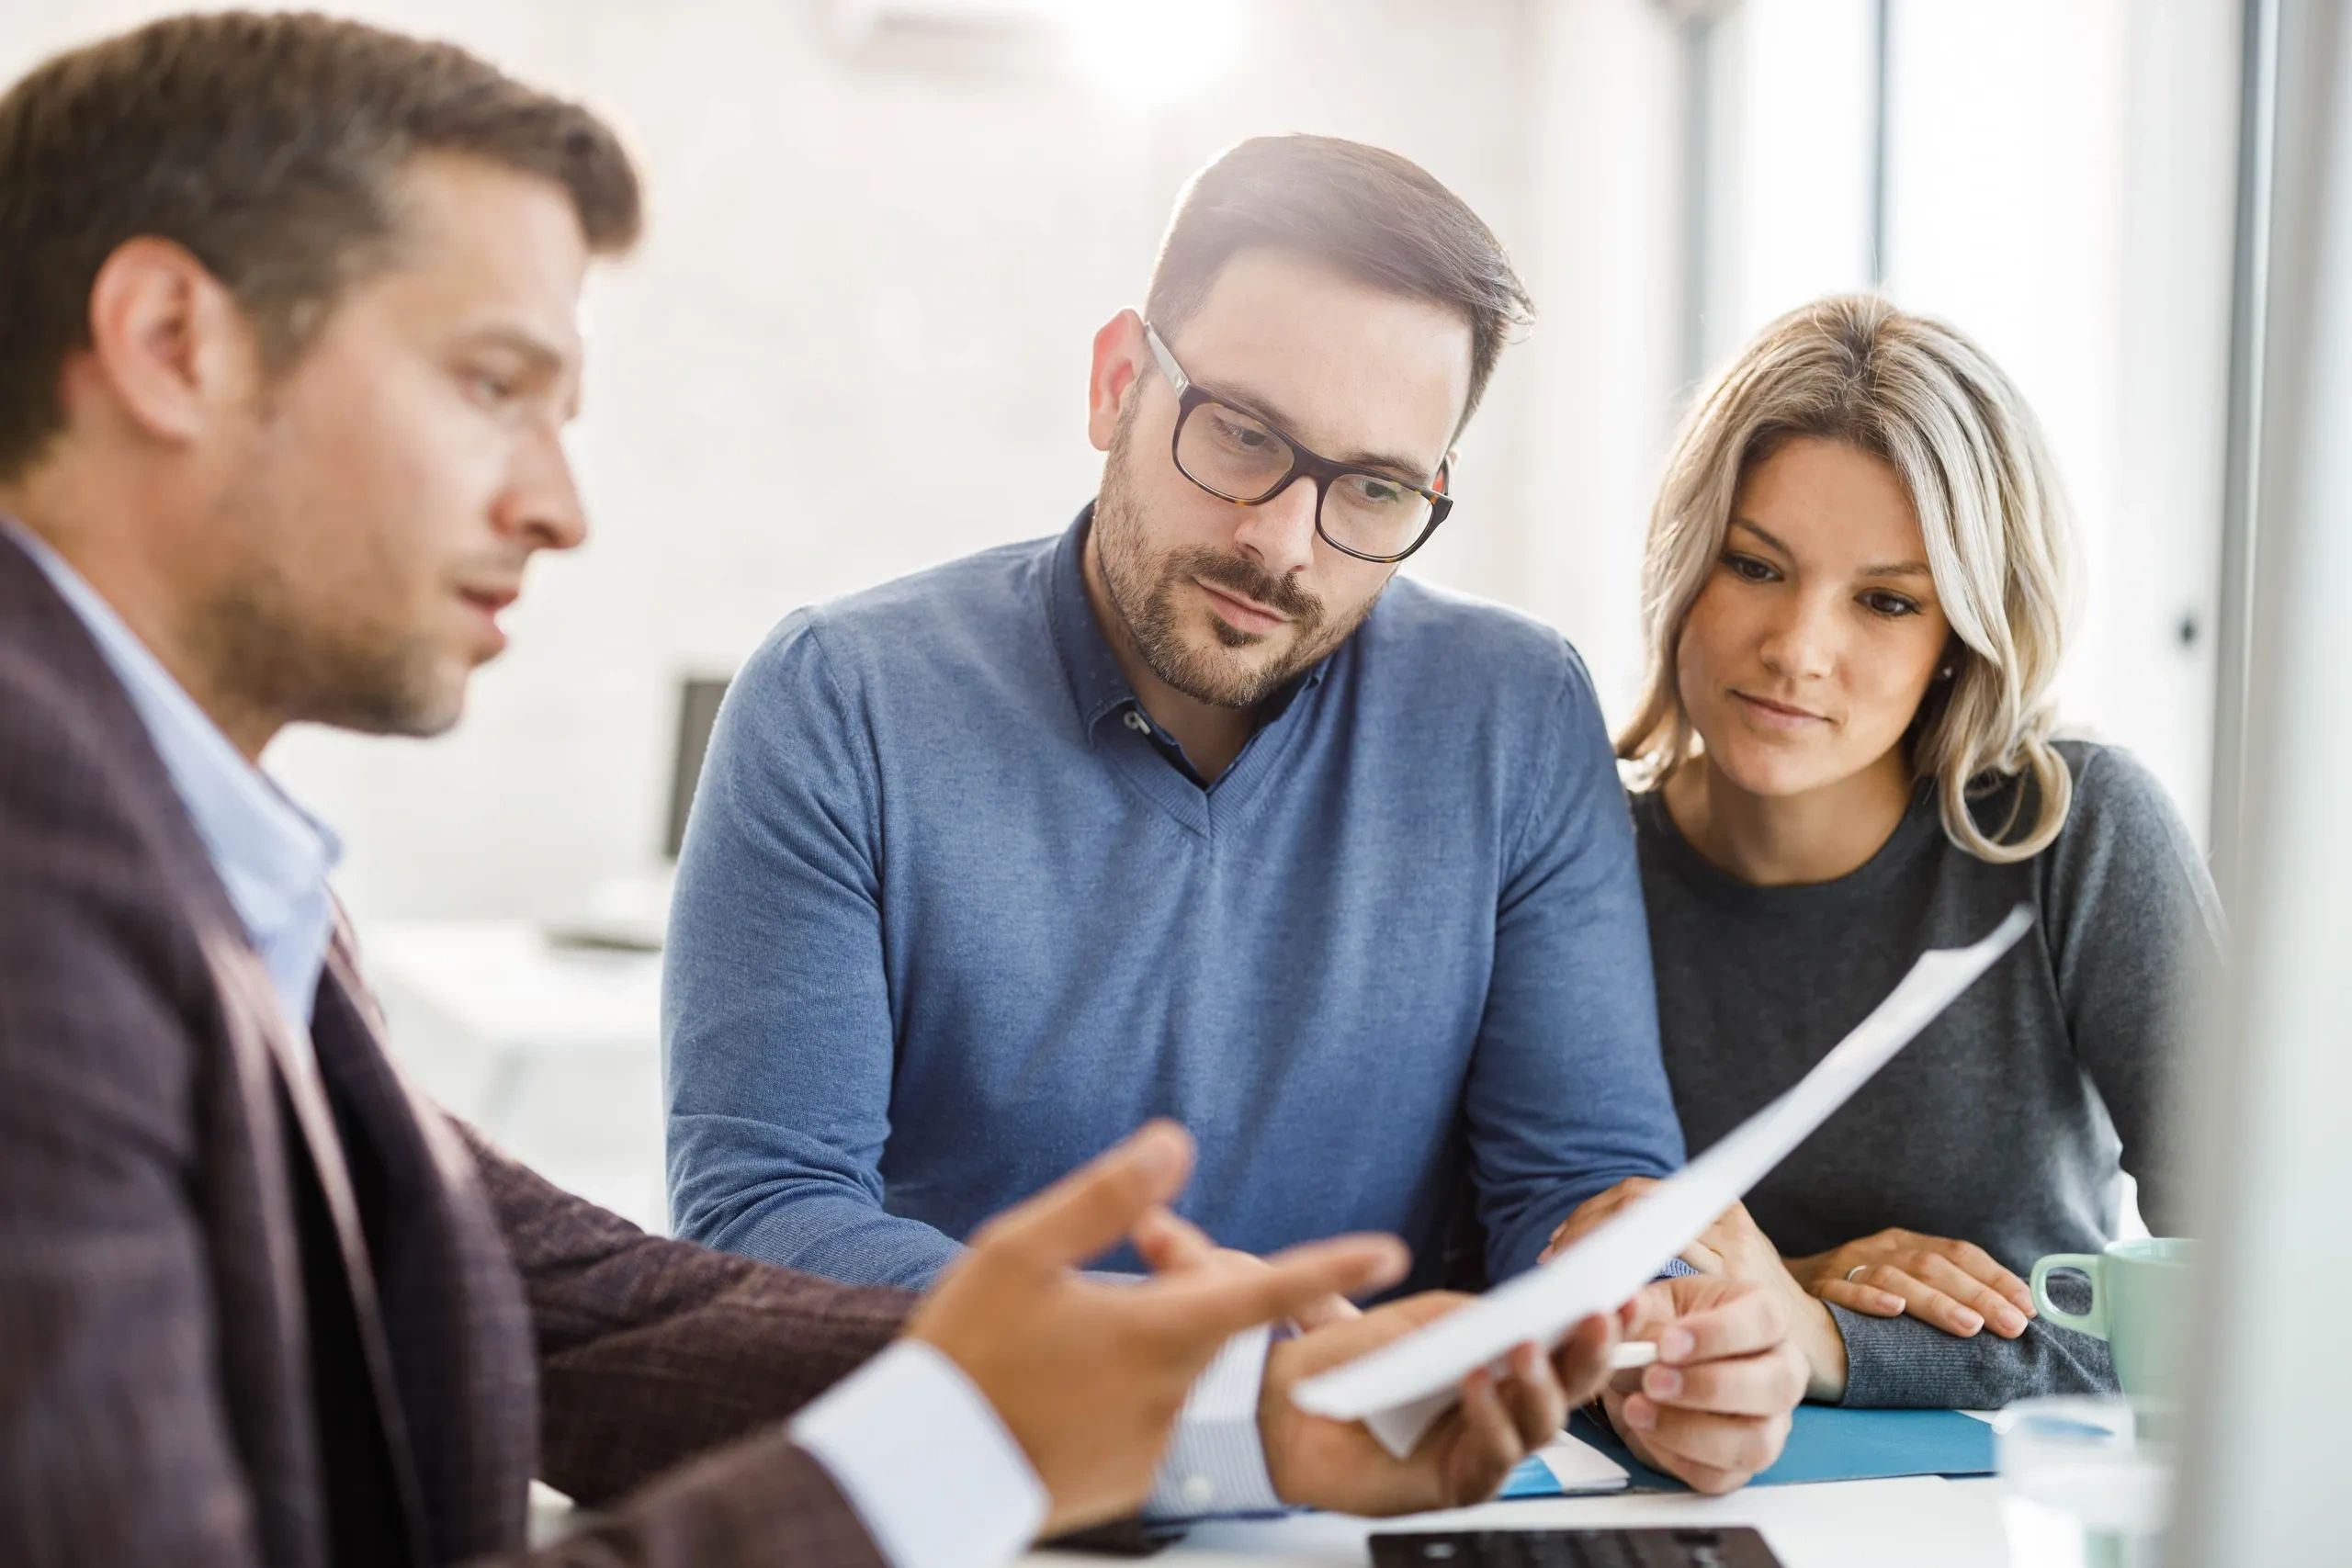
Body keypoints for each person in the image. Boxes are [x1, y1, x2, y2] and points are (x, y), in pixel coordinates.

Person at [0, 15, 1794, 1566]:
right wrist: (1035, 1423)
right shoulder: (41, 883)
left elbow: (554, 1293)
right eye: (492, 385)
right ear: (171, 339)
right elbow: (740, 1218)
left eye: (1373, 490)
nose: (562, 503)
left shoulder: (191, 847)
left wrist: (1230, 1401)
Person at [662, 131, 1805, 1488]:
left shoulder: (1514, 711)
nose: (1283, 542)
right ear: (1116, 383)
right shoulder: (839, 699)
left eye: (1374, 488)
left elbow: (1580, 1180)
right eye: (1244, 436)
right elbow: (766, 1216)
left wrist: (1664, 1323)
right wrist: (1224, 1378)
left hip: (1377, 1499)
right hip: (977, 1492)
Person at [1544, 295, 2225, 1409]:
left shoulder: (2074, 837)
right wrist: (1780, 1298)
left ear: (1959, 638)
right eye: (1755, 567)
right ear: (1683, 571)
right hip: (1668, 1496)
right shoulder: (1573, 864)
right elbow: (1509, 1278)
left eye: (1884, 601)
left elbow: (2269, 1320)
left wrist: (1827, 1338)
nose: (1798, 651)